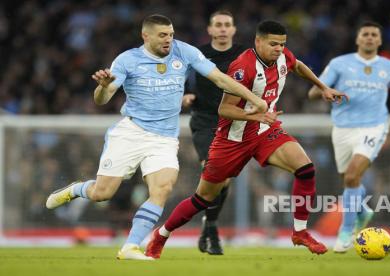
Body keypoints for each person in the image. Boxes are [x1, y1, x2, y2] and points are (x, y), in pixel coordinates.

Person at [45, 14, 267, 261]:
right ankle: (75, 189)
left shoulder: (184, 52)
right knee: (102, 193)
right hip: (131, 133)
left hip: (164, 138)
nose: (168, 40)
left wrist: (255, 99)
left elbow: (219, 78)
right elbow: (102, 99)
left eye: (171, 34)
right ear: (146, 36)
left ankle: (130, 246)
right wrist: (103, 87)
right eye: (163, 35)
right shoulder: (128, 60)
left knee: (162, 188)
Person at [144, 20, 347, 259]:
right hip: (232, 140)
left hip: (264, 131)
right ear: (258, 41)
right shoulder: (243, 67)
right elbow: (224, 110)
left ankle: (300, 232)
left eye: (282, 44)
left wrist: (322, 87)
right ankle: (162, 234)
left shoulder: (283, 56)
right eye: (273, 44)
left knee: (305, 168)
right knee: (203, 198)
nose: (279, 49)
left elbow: (298, 65)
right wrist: (258, 113)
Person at [308, 21, 390, 253]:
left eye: (374, 34)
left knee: (353, 175)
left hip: (373, 127)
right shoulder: (339, 64)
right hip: (342, 128)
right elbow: (313, 92)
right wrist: (324, 91)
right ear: (358, 39)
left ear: (380, 40)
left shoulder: (388, 66)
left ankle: (347, 231)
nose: (370, 38)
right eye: (366, 34)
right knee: (349, 181)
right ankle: (362, 211)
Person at [182, 10, 246, 255]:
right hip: (205, 120)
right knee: (213, 172)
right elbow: (184, 80)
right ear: (209, 30)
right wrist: (186, 94)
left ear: (233, 29)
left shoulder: (244, 55)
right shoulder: (198, 55)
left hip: (234, 122)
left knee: (224, 179)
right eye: (217, 25)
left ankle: (209, 223)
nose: (222, 29)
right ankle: (212, 230)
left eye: (226, 25)